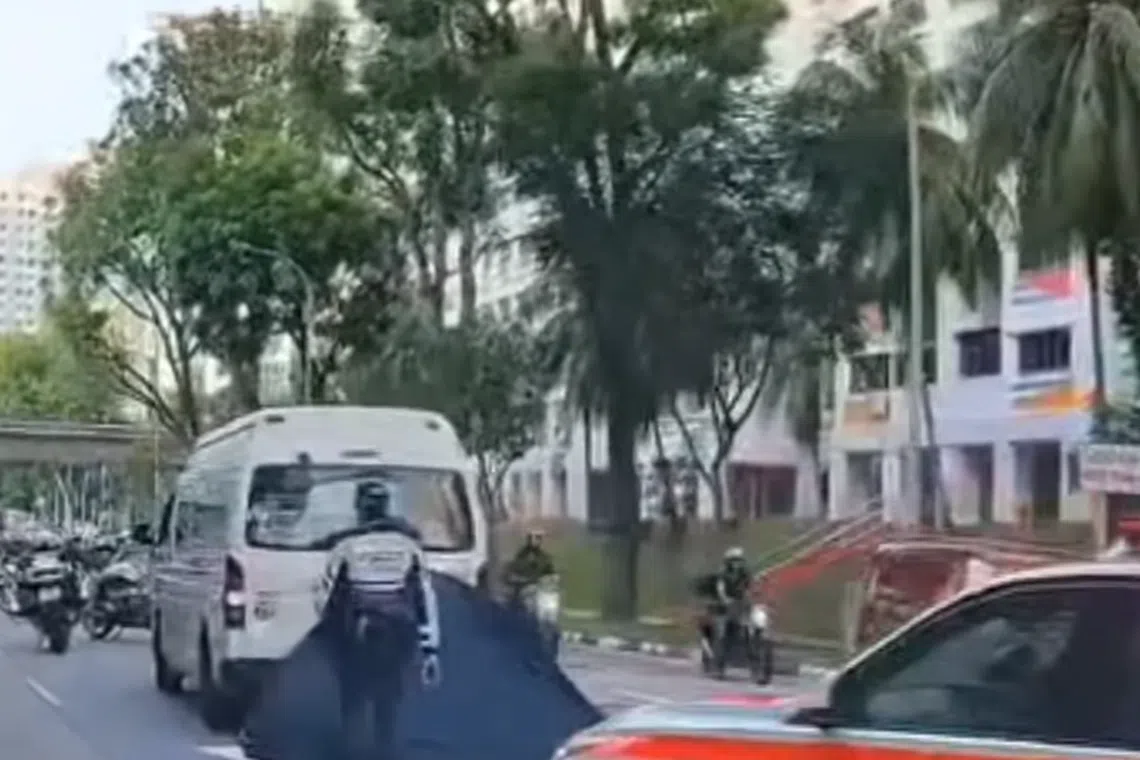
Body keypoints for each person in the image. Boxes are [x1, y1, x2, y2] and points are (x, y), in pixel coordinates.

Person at [307, 478, 442, 760]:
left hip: (359, 631)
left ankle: (350, 746)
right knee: (390, 699)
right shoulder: (409, 546)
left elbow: (325, 595)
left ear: (360, 508)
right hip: (400, 632)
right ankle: (386, 747)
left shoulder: (347, 546)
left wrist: (326, 636)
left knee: (352, 697)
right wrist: (430, 649)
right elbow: (424, 598)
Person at [503, 529, 556, 595]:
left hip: (540, 592)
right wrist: (519, 580)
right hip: (523, 591)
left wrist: (550, 578)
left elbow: (551, 574)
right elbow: (510, 575)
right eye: (531, 537)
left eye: (538, 538)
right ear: (528, 539)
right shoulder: (521, 556)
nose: (534, 540)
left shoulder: (544, 557)